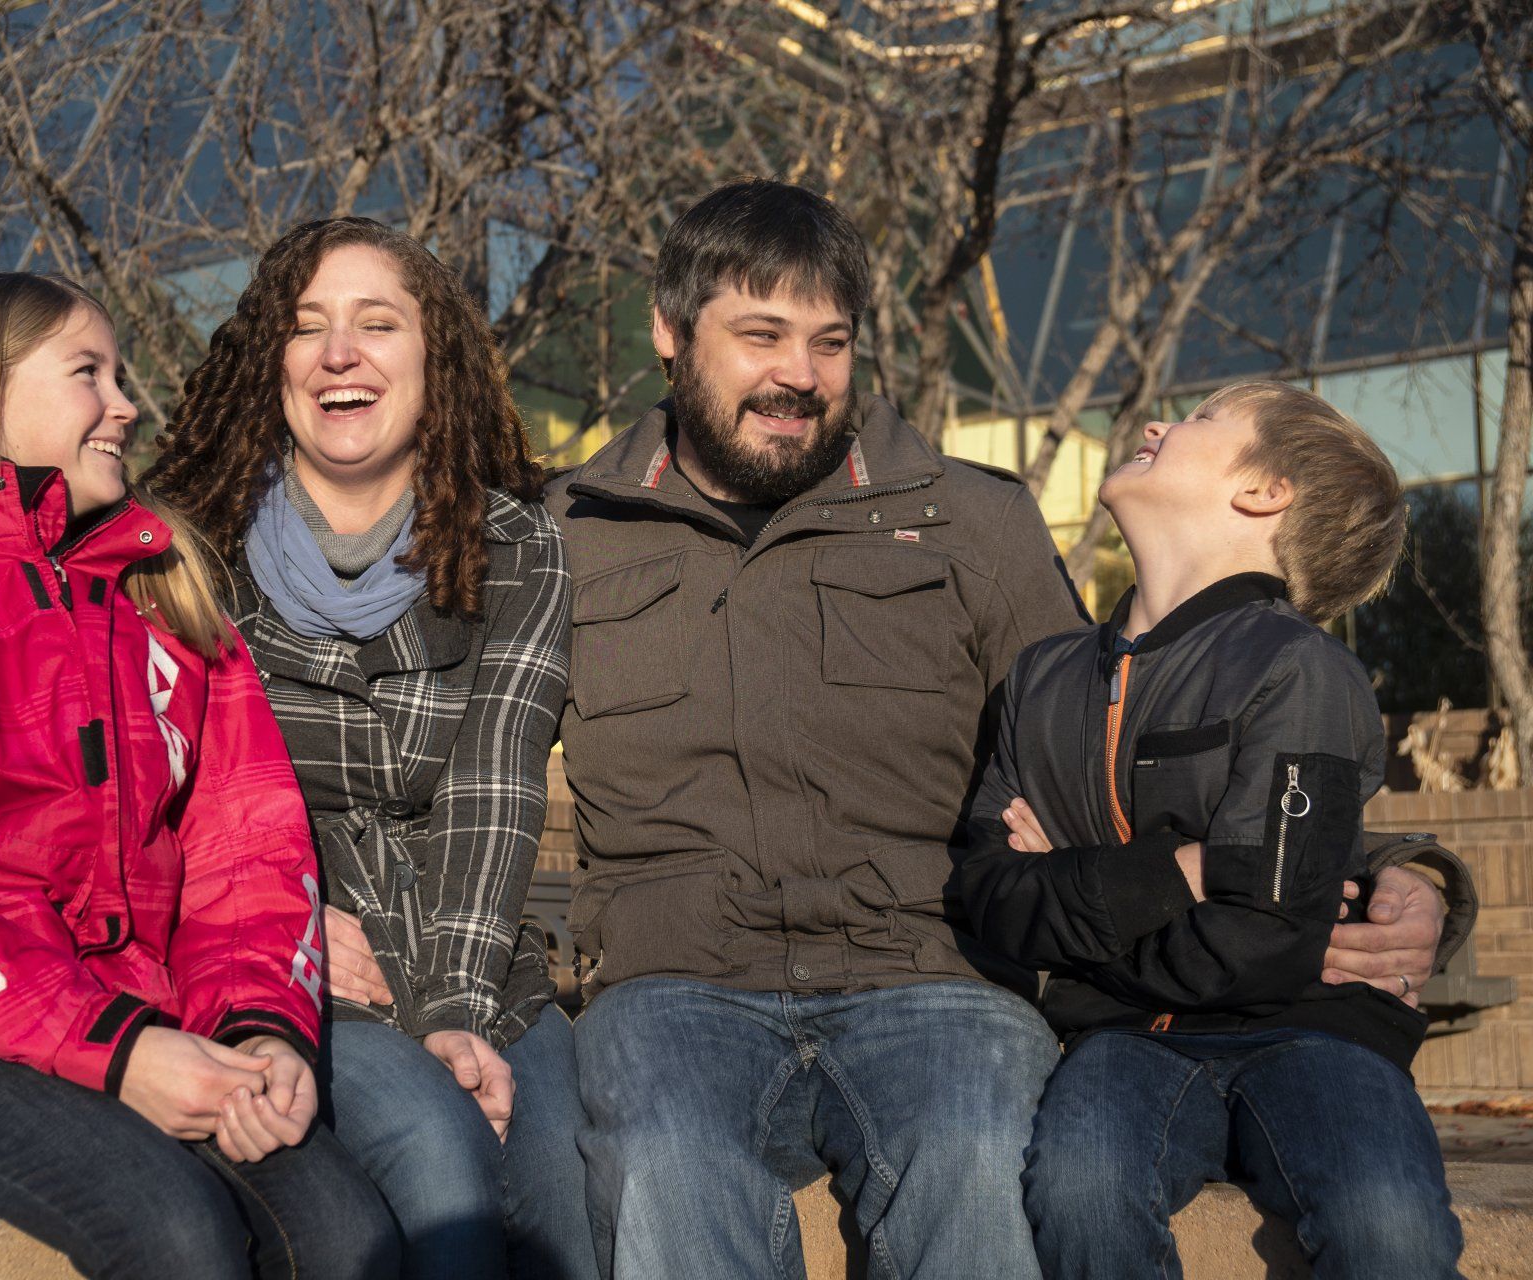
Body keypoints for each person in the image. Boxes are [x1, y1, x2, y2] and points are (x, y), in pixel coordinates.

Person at [541, 179, 1468, 1279]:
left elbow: (1123, 748)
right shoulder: (564, 534)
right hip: (675, 982)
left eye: (830, 343)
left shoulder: (971, 520)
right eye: (761, 336)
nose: (800, 374)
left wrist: (1406, 872)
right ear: (668, 331)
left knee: (981, 1155)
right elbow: (469, 776)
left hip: (931, 977)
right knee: (663, 1159)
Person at [0, 273, 397, 1280]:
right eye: (90, 373)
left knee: (346, 1233)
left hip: (151, 1032)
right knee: (174, 1230)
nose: (126, 405)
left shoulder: (166, 608)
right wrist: (117, 1049)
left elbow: (248, 857)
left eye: (120, 375)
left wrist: (261, 1033)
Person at [147, 218, 592, 1280]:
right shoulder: (188, 556)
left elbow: (494, 788)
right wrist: (283, 920)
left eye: (377, 323)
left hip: (472, 954)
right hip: (282, 962)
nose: (339, 353)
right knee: (444, 1171)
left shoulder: (515, 545)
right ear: (273, 363)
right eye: (308, 327)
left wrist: (456, 1016)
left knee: (568, 1179)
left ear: (435, 359)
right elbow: (162, 803)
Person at [958, 382, 1470, 1278]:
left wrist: (1075, 909)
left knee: (1387, 1223)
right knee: (1079, 1193)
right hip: (1122, 1047)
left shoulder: (1302, 669)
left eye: (1199, 418)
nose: (1159, 422)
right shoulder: (1040, 678)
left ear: (1266, 491)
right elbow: (988, 893)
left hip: (1316, 1034)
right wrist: (1180, 872)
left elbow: (1264, 935)